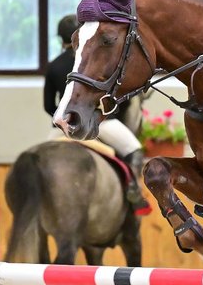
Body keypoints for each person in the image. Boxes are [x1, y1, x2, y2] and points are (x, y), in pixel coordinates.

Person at [44, 13, 147, 209]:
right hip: (101, 123)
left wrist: (68, 119)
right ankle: (133, 192)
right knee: (134, 149)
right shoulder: (95, 59)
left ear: (60, 38)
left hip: (62, 127)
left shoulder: (53, 66)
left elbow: (48, 105)